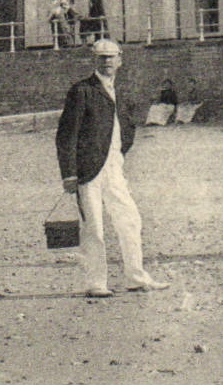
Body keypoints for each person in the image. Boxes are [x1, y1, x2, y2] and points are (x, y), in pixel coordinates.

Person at [55, 39, 170, 297]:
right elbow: (66, 134)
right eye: (101, 57)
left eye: (111, 57)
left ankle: (136, 277)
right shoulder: (81, 90)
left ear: (120, 59)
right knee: (94, 227)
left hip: (114, 168)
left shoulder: (123, 91)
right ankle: (95, 283)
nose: (107, 62)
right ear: (94, 61)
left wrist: (118, 154)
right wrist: (69, 173)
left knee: (130, 219)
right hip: (88, 171)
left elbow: (129, 126)